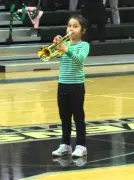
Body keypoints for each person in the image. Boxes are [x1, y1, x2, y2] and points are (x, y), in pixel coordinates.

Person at [51, 14, 90, 157]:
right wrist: (56, 45)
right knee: (64, 117)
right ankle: (65, 144)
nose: (71, 29)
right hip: (62, 84)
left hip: (76, 85)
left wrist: (66, 50)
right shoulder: (64, 44)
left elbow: (79, 60)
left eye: (75, 26)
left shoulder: (84, 45)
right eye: (69, 26)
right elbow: (54, 55)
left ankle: (81, 146)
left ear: (83, 31)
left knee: (78, 117)